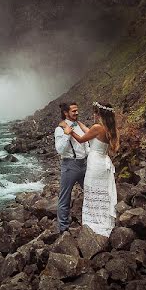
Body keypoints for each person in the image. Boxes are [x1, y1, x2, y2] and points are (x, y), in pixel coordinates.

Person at [62, 101, 119, 237]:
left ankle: (94, 224)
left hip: (95, 164)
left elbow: (82, 139)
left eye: (95, 112)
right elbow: (90, 133)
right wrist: (79, 124)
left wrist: (69, 132)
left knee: (92, 192)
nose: (94, 114)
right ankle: (104, 220)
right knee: (103, 192)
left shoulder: (97, 127)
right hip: (104, 162)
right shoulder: (110, 128)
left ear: (99, 113)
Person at [54, 101, 106, 234]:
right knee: (65, 197)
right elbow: (60, 150)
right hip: (70, 165)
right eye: (73, 111)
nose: (77, 113)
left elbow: (86, 143)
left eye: (77, 110)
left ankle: (95, 222)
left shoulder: (78, 125)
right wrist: (66, 134)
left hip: (84, 164)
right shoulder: (60, 129)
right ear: (66, 113)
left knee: (91, 193)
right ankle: (63, 229)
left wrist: (90, 157)